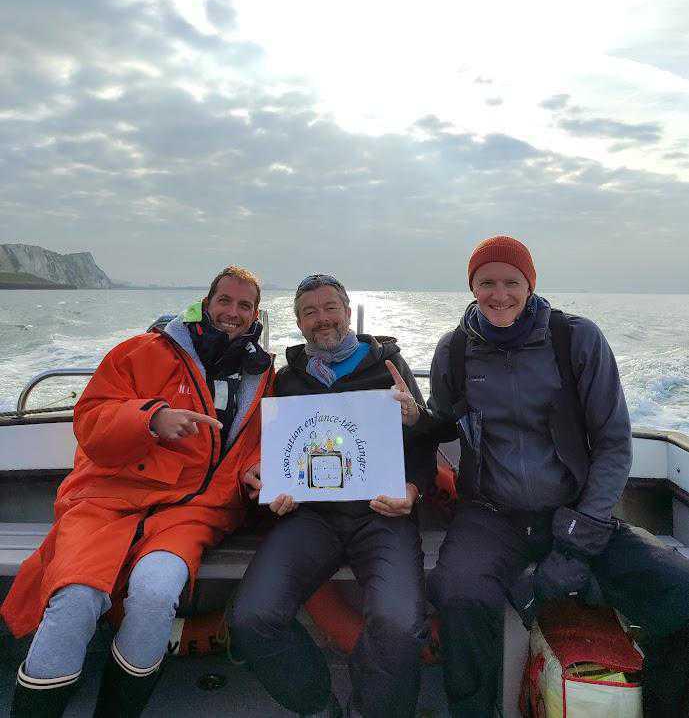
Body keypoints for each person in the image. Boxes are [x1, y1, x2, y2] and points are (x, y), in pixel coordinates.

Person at [421, 235, 689, 717]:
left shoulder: (576, 339)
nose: (498, 294)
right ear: (471, 287)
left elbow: (612, 443)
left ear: (530, 284)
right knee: (460, 595)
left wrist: (575, 542)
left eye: (511, 282)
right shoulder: (455, 350)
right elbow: (440, 421)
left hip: (576, 510)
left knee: (681, 592)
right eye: (486, 283)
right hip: (490, 516)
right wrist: (408, 418)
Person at [1, 265, 276, 718]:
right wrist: (150, 418)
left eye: (244, 305)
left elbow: (254, 449)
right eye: (224, 300)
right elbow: (90, 420)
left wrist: (253, 472)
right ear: (206, 305)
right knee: (75, 597)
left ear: (256, 314)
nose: (232, 312)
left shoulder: (263, 379)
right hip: (107, 500)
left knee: (154, 593)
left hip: (192, 513)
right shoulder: (143, 352)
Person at [230, 273, 438, 718]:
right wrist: (270, 486)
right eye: (309, 312)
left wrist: (413, 487)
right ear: (299, 323)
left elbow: (425, 442)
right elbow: (269, 452)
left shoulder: (390, 368)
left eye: (330, 308)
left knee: (400, 626)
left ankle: (375, 709)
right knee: (252, 617)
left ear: (347, 311)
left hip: (382, 515)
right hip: (311, 518)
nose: (321, 319)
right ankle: (319, 706)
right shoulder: (287, 379)